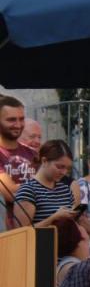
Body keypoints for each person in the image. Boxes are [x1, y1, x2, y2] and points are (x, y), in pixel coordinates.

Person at [13, 139, 80, 228]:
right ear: (44, 161)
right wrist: (52, 219)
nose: (64, 172)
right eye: (60, 167)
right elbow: (21, 233)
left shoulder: (65, 189)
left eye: (68, 169)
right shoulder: (28, 190)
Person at [0, 96, 36, 226]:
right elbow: (11, 194)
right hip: (8, 232)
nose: (18, 125)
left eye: (21, 119)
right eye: (11, 120)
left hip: (38, 228)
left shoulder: (33, 153)